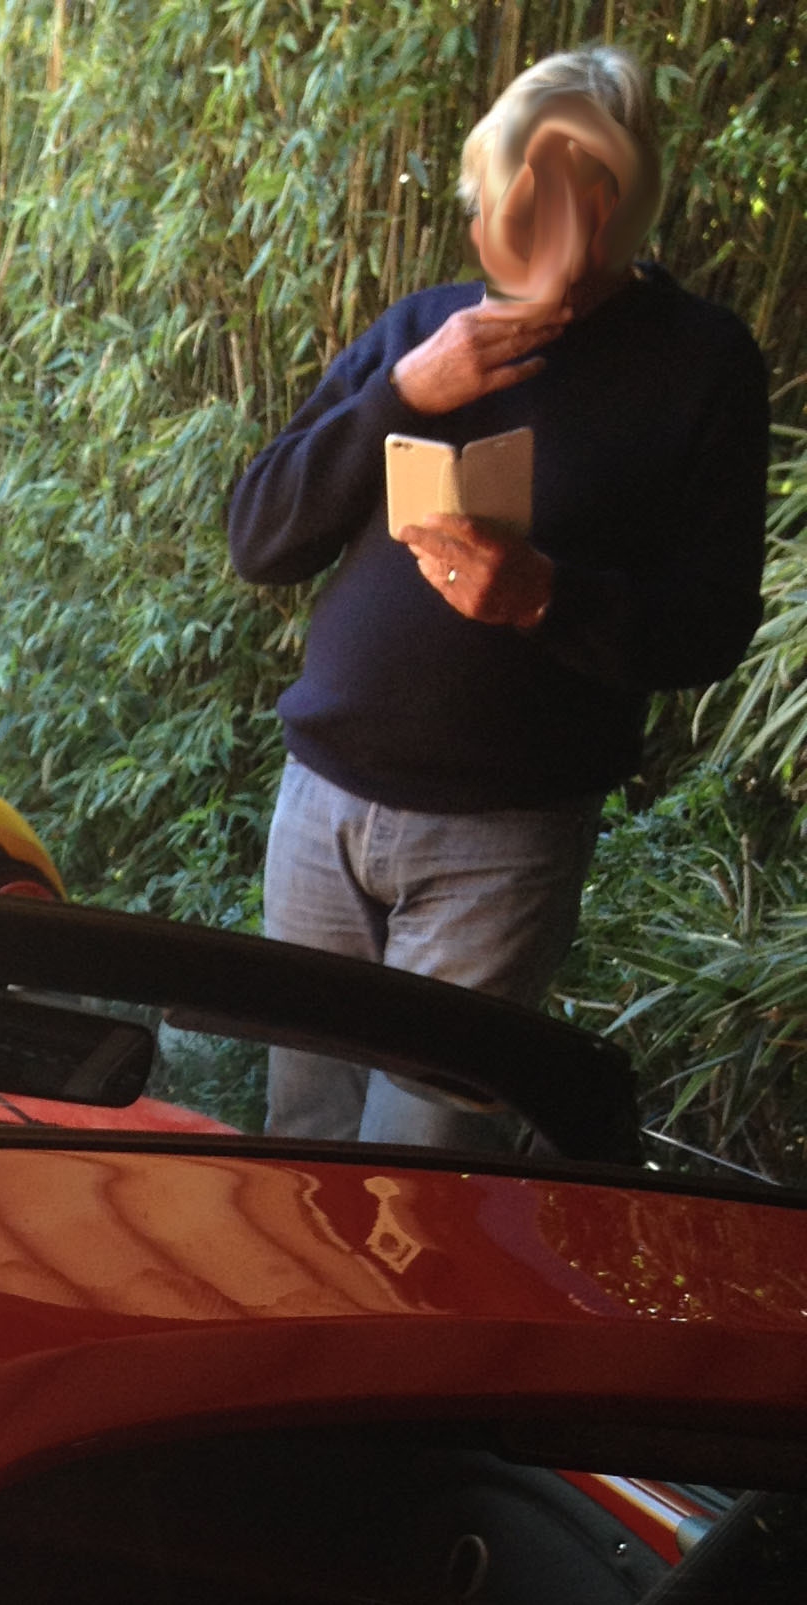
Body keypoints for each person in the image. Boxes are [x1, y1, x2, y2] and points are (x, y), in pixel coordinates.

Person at [226, 44, 768, 1149]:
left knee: (420, 1174)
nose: (502, 235)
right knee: (302, 1141)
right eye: (492, 208)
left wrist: (546, 599)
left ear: (614, 208)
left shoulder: (702, 366)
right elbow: (262, 535)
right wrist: (402, 393)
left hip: (501, 842)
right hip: (322, 806)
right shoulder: (424, 331)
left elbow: (712, 625)